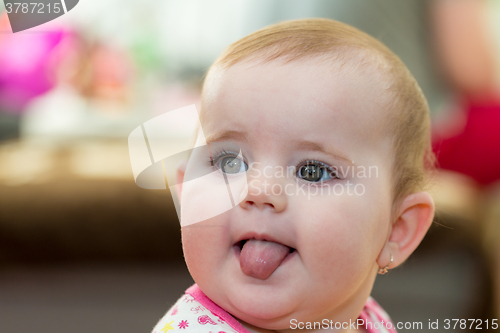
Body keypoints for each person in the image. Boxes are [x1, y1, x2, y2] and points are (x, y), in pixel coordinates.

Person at [151, 18, 435, 333]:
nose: (259, 190)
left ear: (397, 229)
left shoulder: (373, 322)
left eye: (312, 172)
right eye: (230, 162)